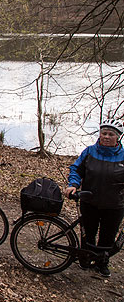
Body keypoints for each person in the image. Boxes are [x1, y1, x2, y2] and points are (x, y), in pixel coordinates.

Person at [64, 119, 124, 278]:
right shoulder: (89, 151)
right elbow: (76, 169)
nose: (106, 137)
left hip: (114, 205)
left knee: (108, 236)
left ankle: (101, 263)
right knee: (88, 233)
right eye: (104, 133)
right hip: (89, 201)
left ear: (118, 137)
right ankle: (85, 258)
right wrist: (73, 184)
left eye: (111, 134)